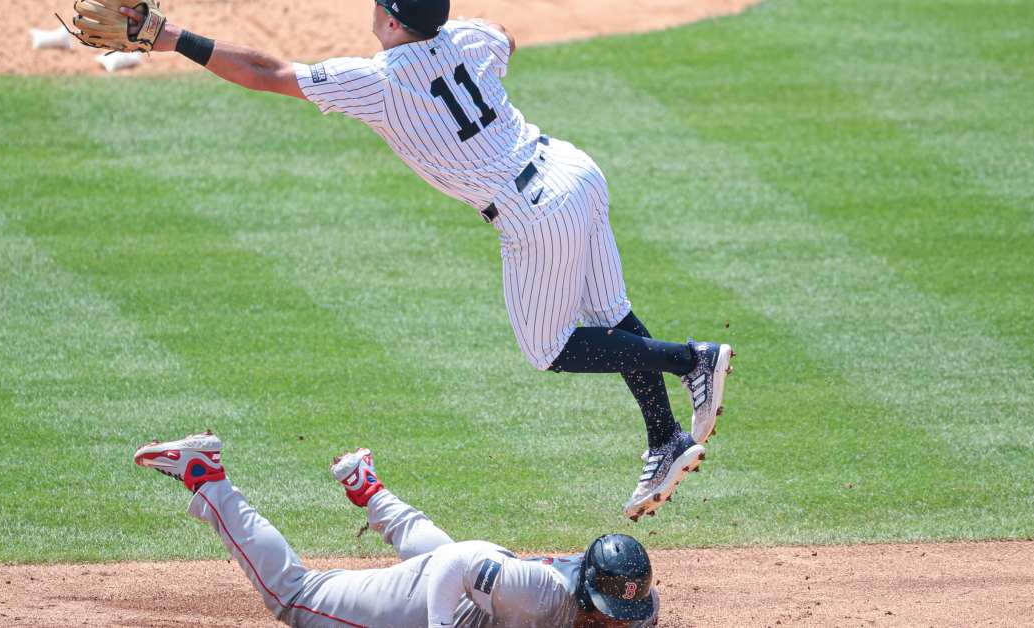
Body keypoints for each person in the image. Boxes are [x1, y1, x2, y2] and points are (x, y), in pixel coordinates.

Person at [105, 0, 735, 519]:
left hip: (531, 210)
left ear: (389, 19)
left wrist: (168, 35)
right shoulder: (466, 39)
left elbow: (267, 73)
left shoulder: (379, 81)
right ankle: (664, 437)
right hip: (575, 171)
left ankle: (692, 360)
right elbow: (505, 37)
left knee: (551, 348)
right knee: (613, 315)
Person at [133, 431, 661, 627]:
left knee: (450, 561)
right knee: (296, 598)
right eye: (614, 615)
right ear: (589, 592)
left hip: (479, 590)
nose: (623, 623)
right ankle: (206, 475)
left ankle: (366, 486)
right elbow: (457, 564)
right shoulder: (542, 592)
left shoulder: (631, 600)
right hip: (437, 592)